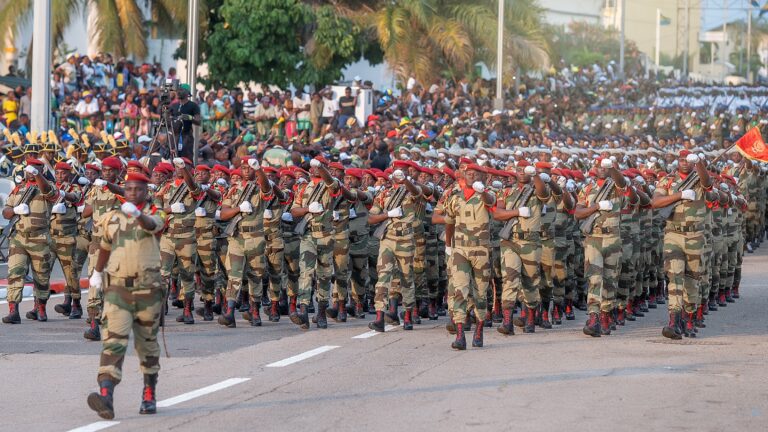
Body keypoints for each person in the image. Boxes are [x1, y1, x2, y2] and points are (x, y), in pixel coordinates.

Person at [86, 172, 167, 420]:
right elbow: (105, 247)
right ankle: (106, 395)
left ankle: (149, 392)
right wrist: (97, 273)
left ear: (146, 191)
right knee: (113, 341)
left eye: (138, 189)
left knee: (147, 344)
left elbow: (153, 226)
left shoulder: (157, 212)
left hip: (148, 290)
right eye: (129, 189)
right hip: (118, 290)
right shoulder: (112, 217)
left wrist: (138, 214)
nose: (133, 193)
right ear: (124, 190)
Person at [170, 88, 201, 161]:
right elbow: (167, 119)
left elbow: (198, 121)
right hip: (175, 136)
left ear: (187, 94)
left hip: (186, 136)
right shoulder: (174, 106)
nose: (179, 92)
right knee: (174, 158)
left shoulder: (193, 105)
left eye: (182, 90)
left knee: (186, 159)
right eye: (178, 90)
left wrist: (190, 117)